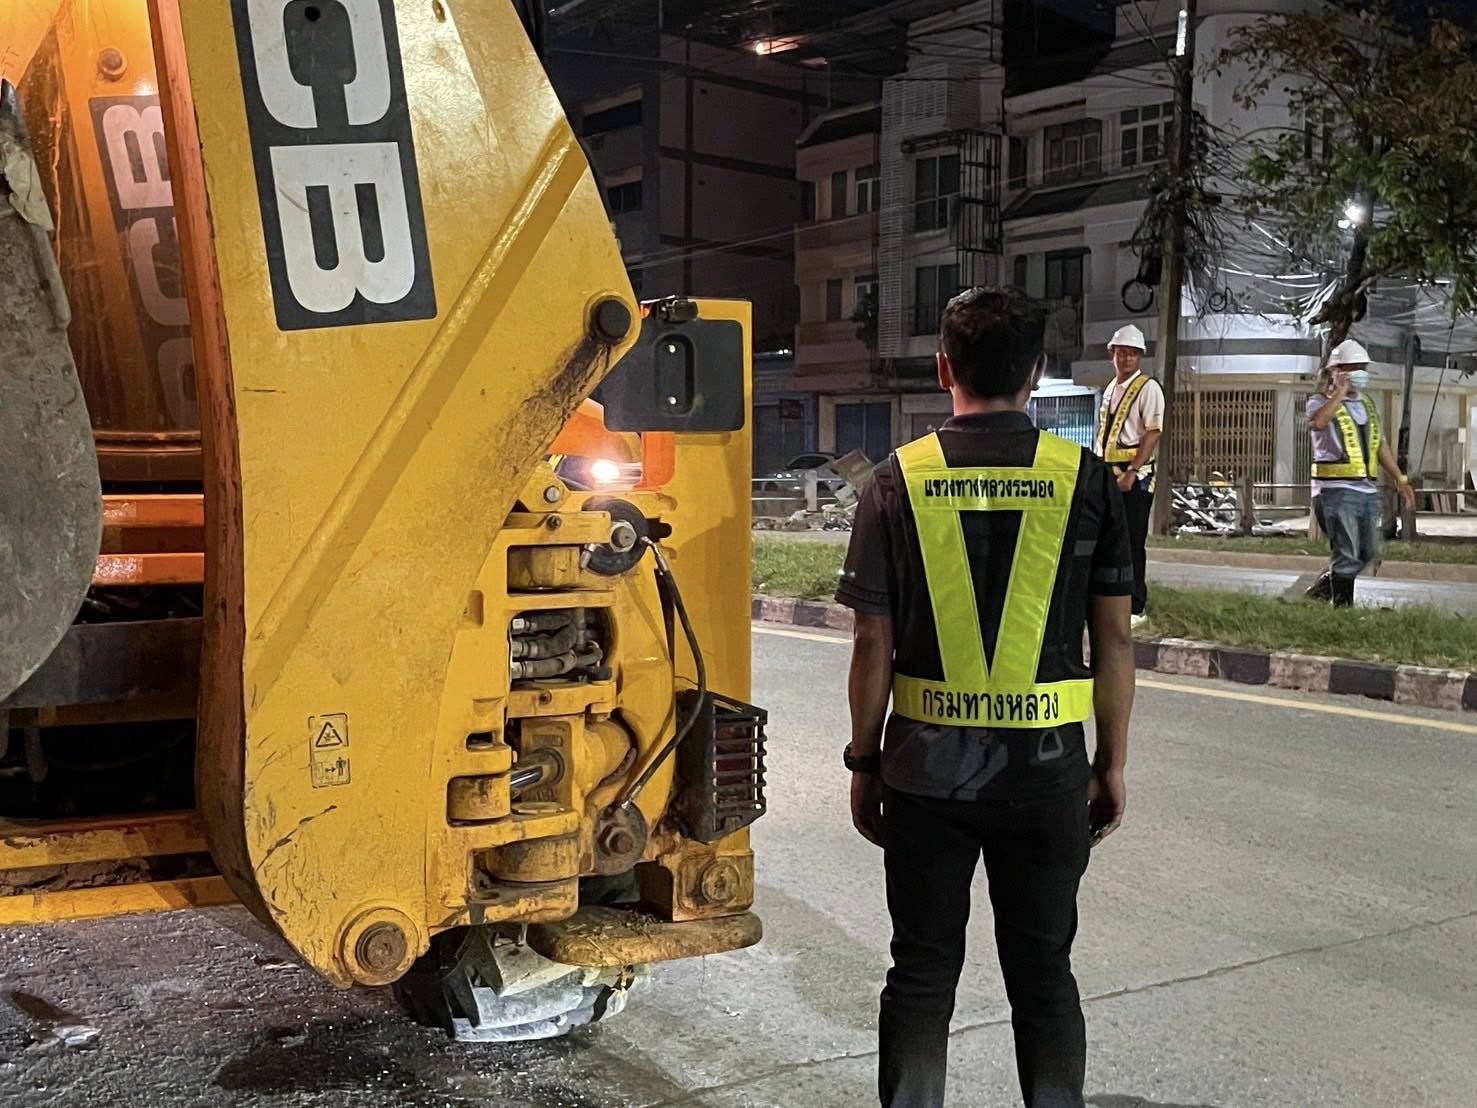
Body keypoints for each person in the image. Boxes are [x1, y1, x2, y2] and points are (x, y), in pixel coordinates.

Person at [837, 287, 1137, 1108]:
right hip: (1046, 773)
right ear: (1035, 373)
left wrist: (863, 761)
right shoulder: (1085, 481)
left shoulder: (896, 481)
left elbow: (870, 642)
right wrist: (1109, 764)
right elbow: (1113, 641)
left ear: (944, 369)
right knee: (1043, 975)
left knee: (921, 972)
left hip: (923, 778)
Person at [1305, 338, 1415, 606]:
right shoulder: (1318, 401)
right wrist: (1340, 392)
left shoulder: (1367, 404)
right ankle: (1343, 610)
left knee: (1367, 552)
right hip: (1335, 491)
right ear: (1335, 371)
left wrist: (1400, 479)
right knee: (1346, 551)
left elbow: (1380, 445)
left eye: (1362, 368)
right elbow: (1319, 422)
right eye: (1351, 368)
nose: (1358, 373)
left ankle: (1322, 590)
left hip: (1366, 490)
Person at [1094, 324, 1164, 623]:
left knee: (1133, 541)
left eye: (1131, 354)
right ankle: (1112, 598)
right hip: (1108, 472)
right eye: (1121, 353)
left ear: (1140, 357)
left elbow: (1153, 432)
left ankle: (1136, 605)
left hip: (1135, 475)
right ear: (1112, 354)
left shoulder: (1148, 388)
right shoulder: (1111, 388)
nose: (1125, 359)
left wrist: (1133, 471)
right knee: (1109, 541)